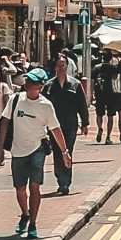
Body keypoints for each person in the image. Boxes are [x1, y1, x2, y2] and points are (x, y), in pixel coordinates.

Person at [7, 66, 68, 240]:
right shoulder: (15, 99)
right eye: (27, 81)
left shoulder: (45, 106)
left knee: (34, 186)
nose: (28, 84)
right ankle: (25, 214)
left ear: (40, 86)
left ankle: (33, 223)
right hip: (18, 150)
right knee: (20, 189)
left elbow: (55, 129)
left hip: (37, 149)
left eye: (32, 82)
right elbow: (5, 122)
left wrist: (65, 152)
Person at [46, 57, 88, 193]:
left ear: (67, 67)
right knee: (57, 153)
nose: (61, 68)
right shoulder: (48, 86)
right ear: (55, 68)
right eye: (59, 66)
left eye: (64, 66)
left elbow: (82, 105)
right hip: (53, 125)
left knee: (68, 150)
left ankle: (66, 182)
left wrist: (85, 123)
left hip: (70, 124)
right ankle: (60, 179)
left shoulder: (75, 84)